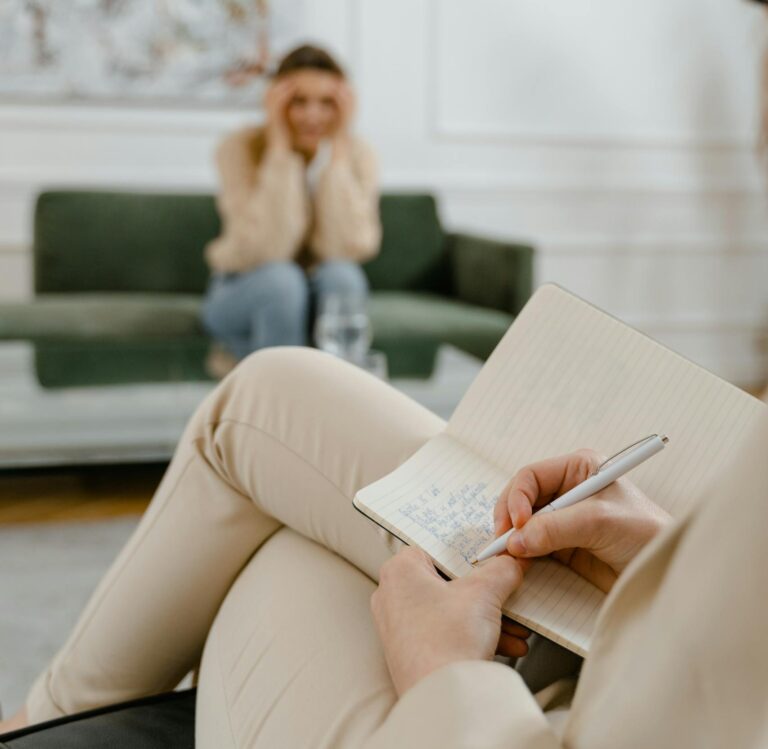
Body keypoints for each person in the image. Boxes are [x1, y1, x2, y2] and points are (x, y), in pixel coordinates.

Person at [1, 347, 766, 747]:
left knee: (293, 537)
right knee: (267, 392)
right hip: (638, 667)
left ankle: (43, 720)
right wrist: (668, 560)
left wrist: (441, 667)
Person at [201, 45, 380, 359]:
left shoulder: (357, 154)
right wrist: (280, 149)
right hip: (242, 290)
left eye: (327, 103)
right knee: (282, 281)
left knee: (344, 276)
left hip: (316, 293)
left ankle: (339, 400)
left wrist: (337, 156)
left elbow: (349, 247)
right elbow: (269, 250)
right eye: (298, 101)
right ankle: (280, 401)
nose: (313, 115)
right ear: (275, 102)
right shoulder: (238, 148)